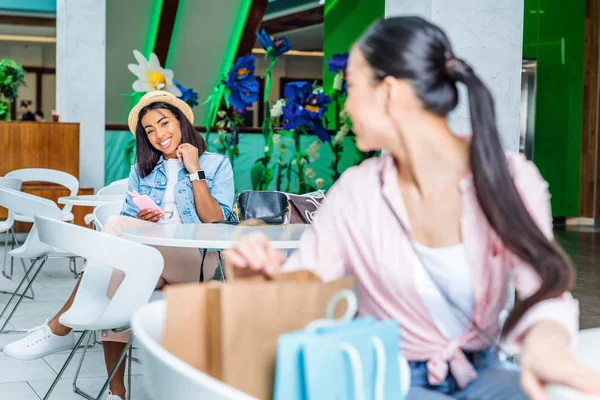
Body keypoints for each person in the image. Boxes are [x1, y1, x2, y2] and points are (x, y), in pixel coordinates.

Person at [225, 17, 600, 400]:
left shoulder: (512, 178)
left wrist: (546, 349)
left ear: (388, 92)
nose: (345, 107)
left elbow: (545, 291)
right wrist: (253, 276)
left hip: (485, 369)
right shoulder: (357, 192)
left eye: (351, 88)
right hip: (392, 377)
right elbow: (302, 284)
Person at [4, 90, 235, 400]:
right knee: (122, 280)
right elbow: (128, 222)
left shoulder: (216, 163)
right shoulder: (142, 170)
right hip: (152, 261)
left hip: (198, 262)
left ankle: (59, 328)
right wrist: (145, 218)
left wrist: (195, 170)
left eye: (164, 123)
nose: (159, 135)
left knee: (116, 240)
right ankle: (117, 393)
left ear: (180, 121)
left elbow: (214, 223)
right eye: (150, 130)